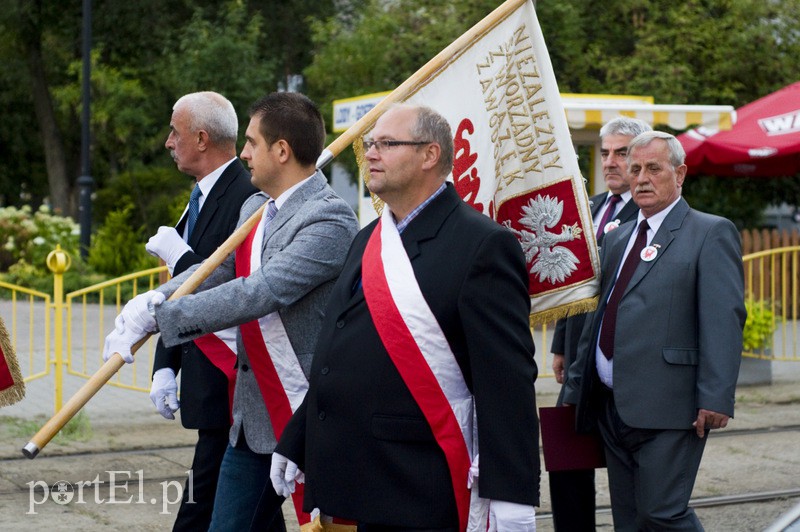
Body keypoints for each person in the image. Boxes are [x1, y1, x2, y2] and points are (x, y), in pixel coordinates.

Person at [271, 103, 541, 530]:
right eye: (370, 143)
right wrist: (297, 437)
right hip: (360, 473)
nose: (370, 154)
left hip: (420, 481)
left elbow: (505, 379)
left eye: (386, 143)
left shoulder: (482, 245)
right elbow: (336, 351)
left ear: (430, 154)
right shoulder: (368, 240)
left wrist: (511, 493)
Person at [103, 92, 359, 531]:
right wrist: (151, 301)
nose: (243, 154)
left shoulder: (329, 219)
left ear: (282, 150)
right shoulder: (255, 208)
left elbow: (259, 292)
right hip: (252, 417)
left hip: (306, 412)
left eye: (252, 143)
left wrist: (163, 317)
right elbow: (214, 273)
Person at [562, 131, 745, 530]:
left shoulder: (710, 232)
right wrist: (578, 385)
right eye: (635, 169)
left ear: (679, 174)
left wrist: (716, 395)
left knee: (662, 513)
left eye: (653, 168)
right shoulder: (618, 238)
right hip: (612, 406)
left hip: (671, 407)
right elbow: (597, 317)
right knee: (629, 519)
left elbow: (723, 319)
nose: (642, 178)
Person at [143, 91, 257, 532]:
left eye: (175, 132)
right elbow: (178, 296)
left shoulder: (247, 197)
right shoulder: (201, 195)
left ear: (202, 138)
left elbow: (233, 288)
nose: (168, 142)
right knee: (249, 512)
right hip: (207, 378)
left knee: (200, 510)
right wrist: (165, 363)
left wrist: (181, 258)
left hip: (233, 381)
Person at [548, 116, 650, 531]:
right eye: (605, 152)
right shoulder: (587, 207)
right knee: (565, 464)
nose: (609, 161)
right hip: (577, 359)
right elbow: (571, 281)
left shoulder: (650, 212)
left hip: (617, 363)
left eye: (621, 153)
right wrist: (560, 343)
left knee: (633, 483)